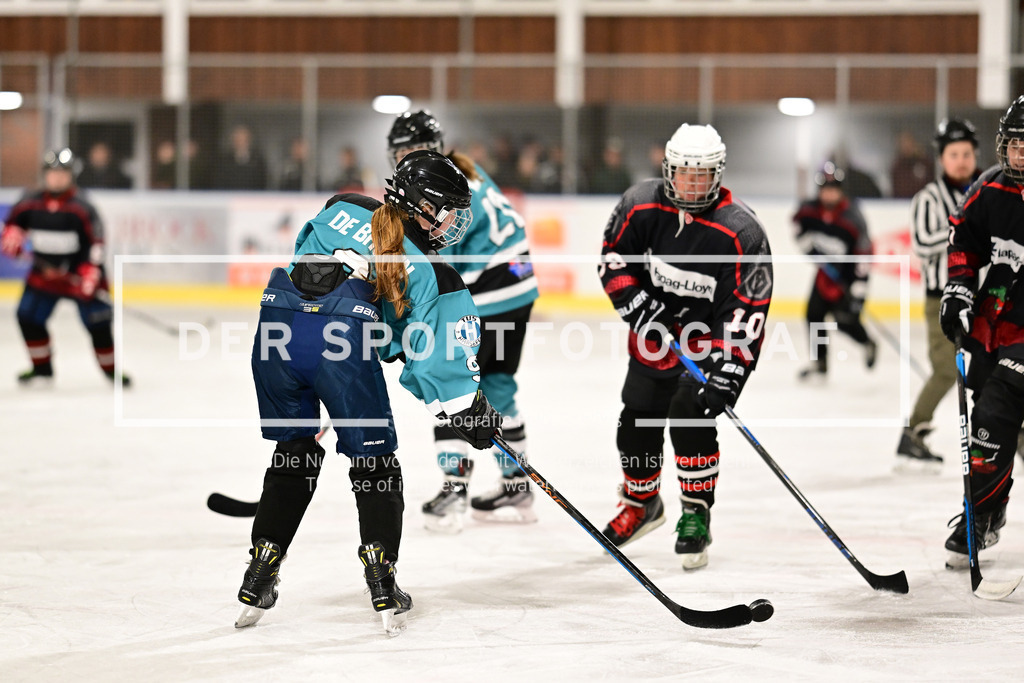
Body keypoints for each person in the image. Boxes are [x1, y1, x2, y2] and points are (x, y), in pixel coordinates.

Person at [234, 150, 501, 634]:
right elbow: (436, 361)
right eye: (448, 211)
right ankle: (381, 576)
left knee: (295, 449)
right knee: (375, 464)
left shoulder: (342, 204)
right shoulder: (434, 271)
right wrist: (472, 414)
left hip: (276, 332)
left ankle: (261, 567)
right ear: (423, 206)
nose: (454, 222)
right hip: (340, 350)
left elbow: (306, 264)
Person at [598, 123, 773, 570]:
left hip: (706, 344)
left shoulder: (742, 233)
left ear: (718, 175)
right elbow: (613, 258)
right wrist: (637, 306)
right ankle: (641, 505)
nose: (692, 184)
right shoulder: (639, 205)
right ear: (667, 169)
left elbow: (748, 307)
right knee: (635, 419)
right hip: (652, 342)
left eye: (702, 175)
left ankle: (696, 513)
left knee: (690, 416)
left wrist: (728, 373)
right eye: (683, 173)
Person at [387, 110, 540, 532]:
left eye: (413, 149)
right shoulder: (457, 172)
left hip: (491, 294)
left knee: (450, 382)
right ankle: (516, 483)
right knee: (496, 386)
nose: (406, 157)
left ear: (432, 149)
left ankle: (454, 490)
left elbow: (435, 274)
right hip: (517, 288)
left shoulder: (435, 189)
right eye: (400, 151)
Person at [939, 95, 1024, 567]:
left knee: (997, 404)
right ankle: (984, 513)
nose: (1021, 156)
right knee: (986, 418)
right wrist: (958, 291)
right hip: (996, 324)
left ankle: (981, 511)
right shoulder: (990, 189)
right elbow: (963, 243)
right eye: (1015, 146)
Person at [1, 148, 130, 387]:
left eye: (63, 173)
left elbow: (96, 244)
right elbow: (11, 228)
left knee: (99, 323)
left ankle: (111, 371)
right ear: (45, 175)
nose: (57, 178)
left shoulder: (82, 207)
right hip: (44, 277)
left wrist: (90, 273)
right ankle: (42, 370)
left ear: (71, 175)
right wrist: (12, 240)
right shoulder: (29, 202)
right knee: (27, 316)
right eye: (53, 173)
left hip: (79, 276)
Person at [896, 118, 979, 471]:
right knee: (947, 370)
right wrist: (962, 227)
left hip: (983, 297)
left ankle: (1012, 433)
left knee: (997, 366)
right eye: (953, 154)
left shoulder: (983, 191)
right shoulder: (928, 198)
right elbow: (923, 243)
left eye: (966, 153)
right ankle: (912, 434)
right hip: (941, 298)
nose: (961, 160)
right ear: (941, 158)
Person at [793, 163, 877, 380]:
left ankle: (867, 342)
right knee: (813, 315)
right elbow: (797, 224)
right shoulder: (811, 210)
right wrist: (807, 246)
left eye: (833, 189)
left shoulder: (852, 218)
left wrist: (859, 287)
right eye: (825, 189)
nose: (829, 194)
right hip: (825, 277)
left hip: (848, 279)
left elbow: (865, 252)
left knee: (844, 321)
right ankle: (819, 362)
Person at [215, 125, 267, 190]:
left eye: (243, 139)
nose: (240, 142)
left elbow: (262, 183)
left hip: (251, 198)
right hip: (229, 197)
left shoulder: (258, 161)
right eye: (237, 139)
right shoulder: (223, 161)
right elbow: (219, 182)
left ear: (249, 140)